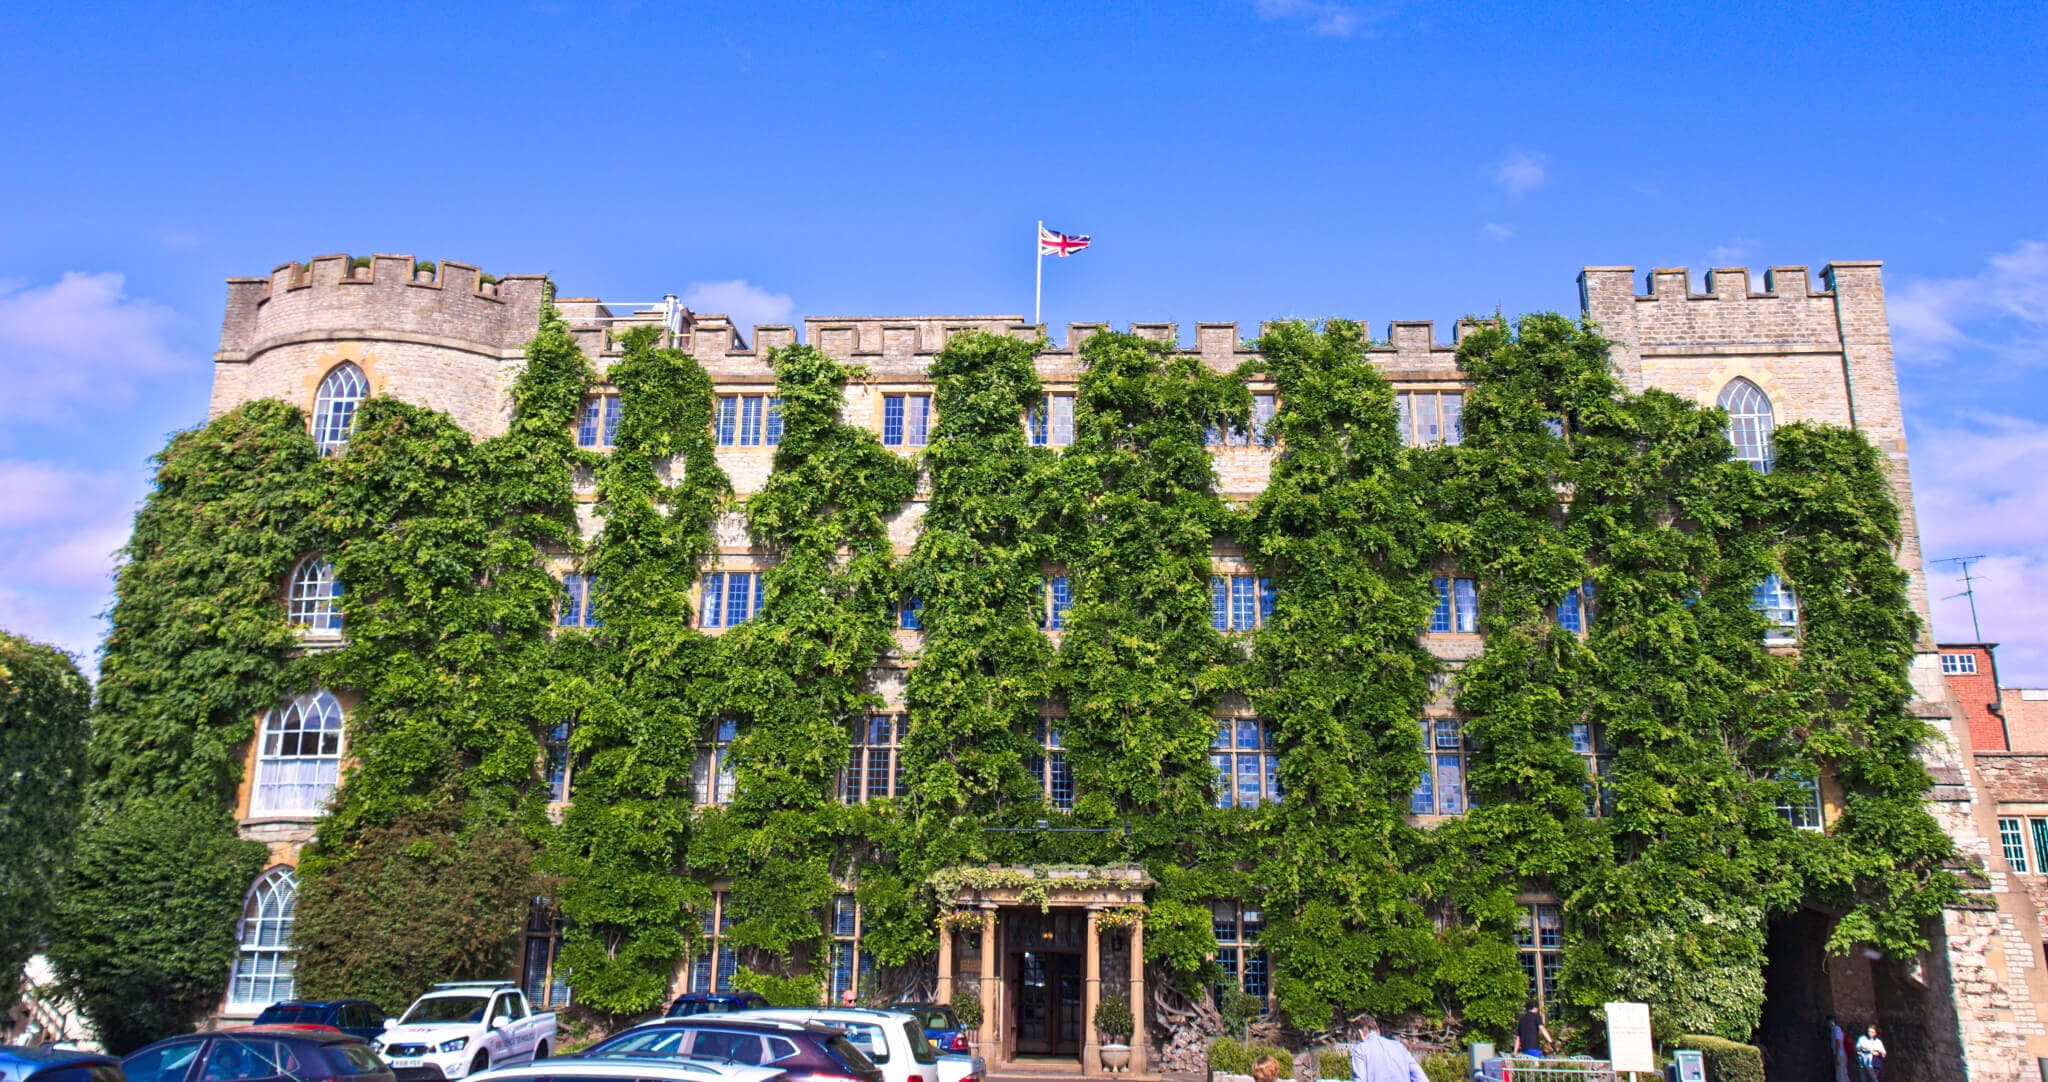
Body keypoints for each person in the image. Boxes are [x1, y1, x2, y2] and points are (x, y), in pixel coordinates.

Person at [1347, 1015, 1427, 1082]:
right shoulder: (1399, 1047)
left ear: (1361, 1033)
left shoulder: (1359, 1050)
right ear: (1378, 1030)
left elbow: (1360, 1079)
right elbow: (1421, 1078)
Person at [1827, 1016, 1850, 1082]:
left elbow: (1838, 1041)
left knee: (1840, 1074)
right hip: (1840, 1054)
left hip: (1840, 1054)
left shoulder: (1836, 1029)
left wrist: (1836, 1055)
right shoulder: (1834, 1030)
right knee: (1843, 1073)